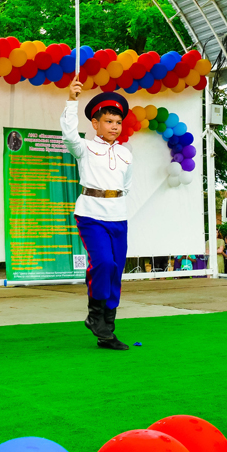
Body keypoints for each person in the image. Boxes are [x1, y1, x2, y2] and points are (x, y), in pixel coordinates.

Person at [62, 81, 132, 350]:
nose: (114, 126)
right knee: (103, 262)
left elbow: (127, 184)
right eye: (108, 121)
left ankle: (107, 330)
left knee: (116, 269)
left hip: (119, 215)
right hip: (91, 214)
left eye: (118, 122)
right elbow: (69, 134)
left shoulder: (126, 153)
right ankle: (94, 315)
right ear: (95, 123)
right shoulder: (84, 147)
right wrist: (71, 100)